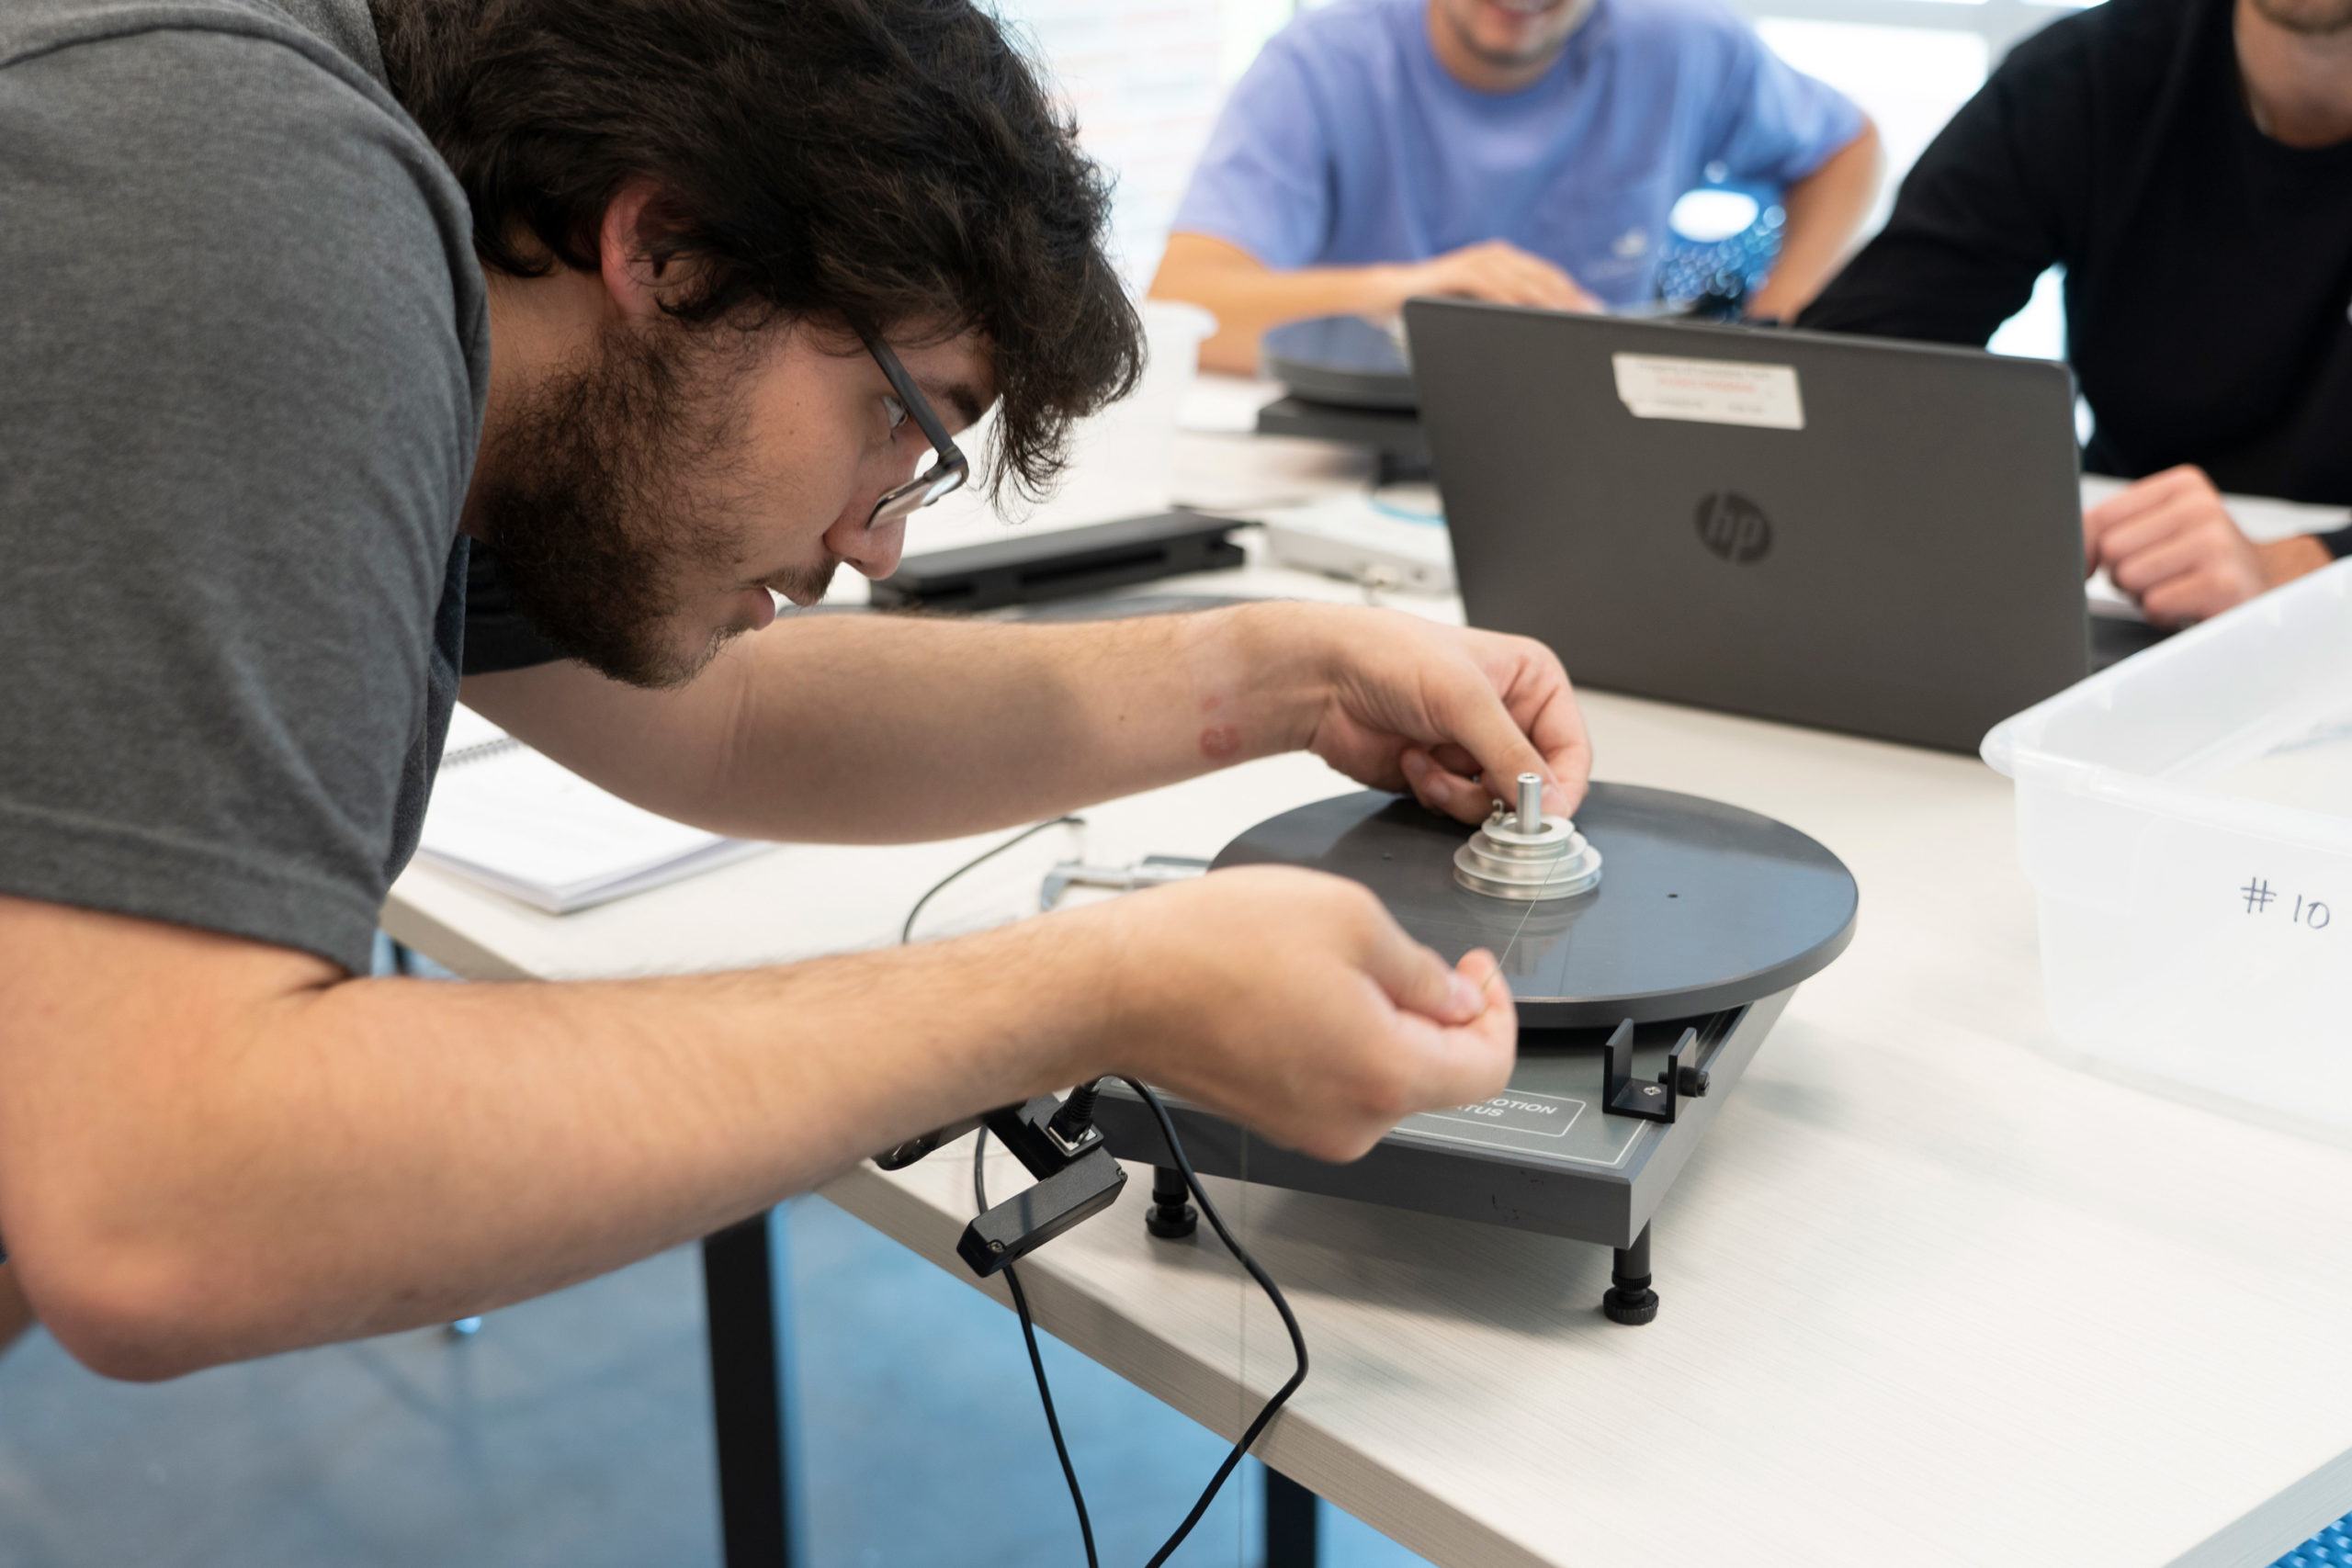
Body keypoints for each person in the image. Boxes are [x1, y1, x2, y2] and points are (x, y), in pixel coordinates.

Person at [0, 0, 1595, 1380]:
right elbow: (164, 1202)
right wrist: (1090, 988)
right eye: (902, 421)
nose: (874, 543)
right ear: (671, 248)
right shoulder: (243, 190)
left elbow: (738, 714)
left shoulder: (481, 348)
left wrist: (1285, 667)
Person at [1798, 0, 2352, 627]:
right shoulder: (2094, 72)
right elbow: (1854, 366)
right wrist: (2016, 521)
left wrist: (2301, 566)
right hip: (2134, 598)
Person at [1150, 0, 1883, 374]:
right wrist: (1412, 294)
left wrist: (1777, 331)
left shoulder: (1681, 41)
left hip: (1591, 438)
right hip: (1359, 439)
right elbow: (1185, 307)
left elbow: (1848, 146)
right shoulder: (1320, 65)